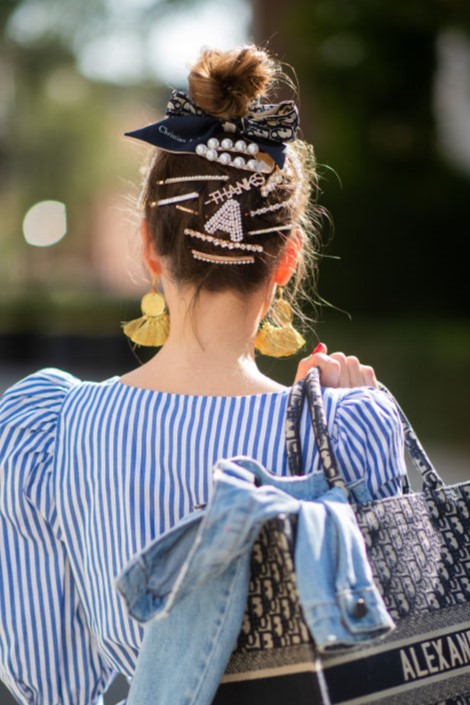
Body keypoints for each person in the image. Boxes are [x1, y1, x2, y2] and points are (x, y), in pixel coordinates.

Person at [0, 45, 406, 705]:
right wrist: (356, 420)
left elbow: (47, 673)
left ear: (148, 246)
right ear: (287, 258)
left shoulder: (49, 430)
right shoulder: (349, 428)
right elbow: (388, 647)